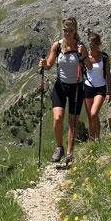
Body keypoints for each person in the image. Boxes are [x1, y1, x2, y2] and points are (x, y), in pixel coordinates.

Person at [38, 16, 87, 164]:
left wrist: (84, 55)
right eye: (65, 30)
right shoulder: (57, 46)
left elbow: (89, 66)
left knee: (72, 122)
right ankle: (59, 147)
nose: (66, 33)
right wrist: (44, 64)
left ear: (75, 31)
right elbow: (49, 65)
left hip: (77, 87)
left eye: (70, 31)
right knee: (58, 118)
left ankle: (69, 152)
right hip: (60, 86)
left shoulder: (80, 47)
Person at [81, 31, 111, 141]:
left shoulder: (104, 56)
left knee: (94, 113)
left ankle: (96, 138)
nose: (91, 46)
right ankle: (92, 140)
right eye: (89, 43)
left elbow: (108, 74)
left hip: (100, 88)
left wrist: (109, 92)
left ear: (98, 44)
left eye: (93, 44)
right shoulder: (85, 56)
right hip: (88, 87)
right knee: (91, 117)